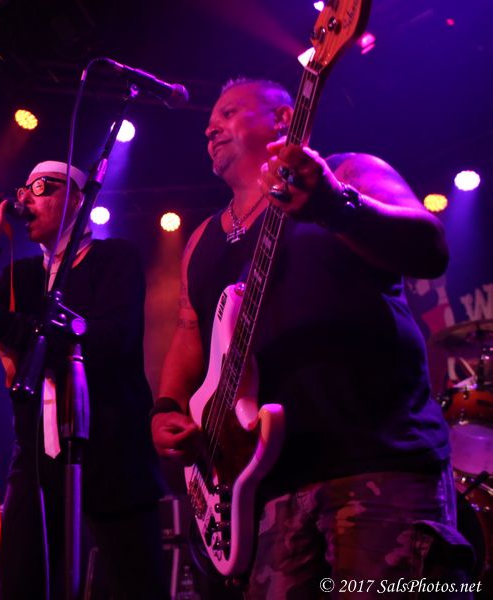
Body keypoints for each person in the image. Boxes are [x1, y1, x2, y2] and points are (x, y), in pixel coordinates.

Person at [150, 78, 471, 597]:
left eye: (228, 113)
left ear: (282, 119)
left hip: (375, 460)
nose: (210, 128)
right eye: (209, 123)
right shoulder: (202, 240)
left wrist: (335, 205)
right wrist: (166, 406)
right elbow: (189, 333)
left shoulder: (348, 171)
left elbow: (430, 249)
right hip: (263, 489)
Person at [0, 161, 169, 600]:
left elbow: (110, 340)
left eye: (41, 187)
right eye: (24, 188)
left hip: (112, 450)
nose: (25, 198)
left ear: (77, 199)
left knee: (131, 583)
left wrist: (8, 322)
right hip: (37, 453)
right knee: (21, 584)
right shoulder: (24, 276)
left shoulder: (116, 259)